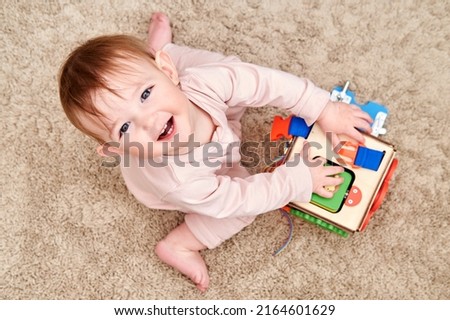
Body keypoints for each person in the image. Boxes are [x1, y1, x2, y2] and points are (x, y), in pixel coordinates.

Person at [58, 12, 372, 292]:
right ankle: (179, 245)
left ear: (168, 74)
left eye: (145, 94)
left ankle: (161, 52)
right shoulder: (177, 180)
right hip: (212, 175)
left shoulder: (198, 83)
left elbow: (263, 81)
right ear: (116, 150)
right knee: (241, 211)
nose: (148, 120)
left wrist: (322, 108)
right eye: (124, 128)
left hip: (211, 109)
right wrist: (297, 181)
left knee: (233, 71)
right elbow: (237, 199)